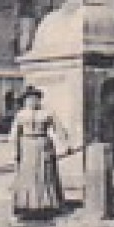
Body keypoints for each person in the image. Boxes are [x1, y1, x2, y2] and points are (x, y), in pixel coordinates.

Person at [11, 87, 68, 219]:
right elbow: (15, 134)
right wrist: (16, 151)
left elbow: (59, 129)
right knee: (27, 175)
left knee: (45, 173)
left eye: (35, 98)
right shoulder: (21, 115)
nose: (32, 101)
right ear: (25, 100)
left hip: (43, 144)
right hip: (27, 145)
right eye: (29, 99)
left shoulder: (47, 113)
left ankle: (47, 204)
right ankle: (26, 205)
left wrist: (65, 144)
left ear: (39, 99)